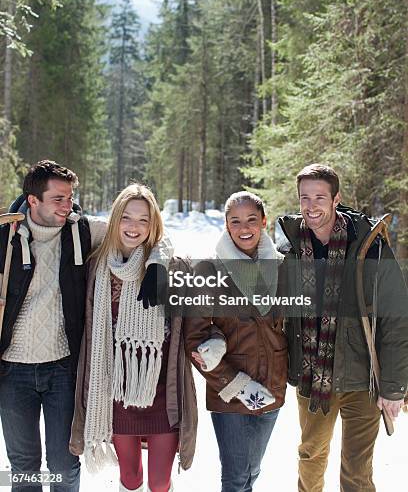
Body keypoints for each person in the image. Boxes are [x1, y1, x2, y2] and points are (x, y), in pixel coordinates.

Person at [0, 160, 171, 492]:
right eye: (58, 199)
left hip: (63, 369)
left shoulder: (81, 230)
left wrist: (157, 263)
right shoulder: (4, 237)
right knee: (23, 465)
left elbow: (144, 232)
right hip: (12, 372)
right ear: (33, 200)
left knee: (64, 464)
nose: (68, 206)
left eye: (70, 197)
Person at [279, 163, 408, 492]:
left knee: (357, 471)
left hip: (362, 380)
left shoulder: (370, 247)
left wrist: (393, 387)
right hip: (312, 380)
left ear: (336, 199)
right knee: (311, 457)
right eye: (304, 198)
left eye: (319, 197)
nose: (311, 206)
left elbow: (396, 320)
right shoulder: (290, 251)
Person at [69, 183, 197, 492]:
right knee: (130, 479)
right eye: (127, 217)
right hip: (114, 394)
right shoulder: (96, 267)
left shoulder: (170, 267)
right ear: (115, 219)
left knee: (161, 482)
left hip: (161, 394)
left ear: (154, 224)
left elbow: (198, 322)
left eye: (144, 219)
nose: (134, 227)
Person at [184, 191, 287, 492]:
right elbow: (195, 338)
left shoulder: (282, 266)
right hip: (229, 391)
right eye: (236, 221)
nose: (244, 228)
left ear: (264, 222)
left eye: (252, 220)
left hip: (273, 385)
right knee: (235, 476)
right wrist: (238, 385)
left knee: (251, 472)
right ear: (227, 226)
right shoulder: (209, 270)